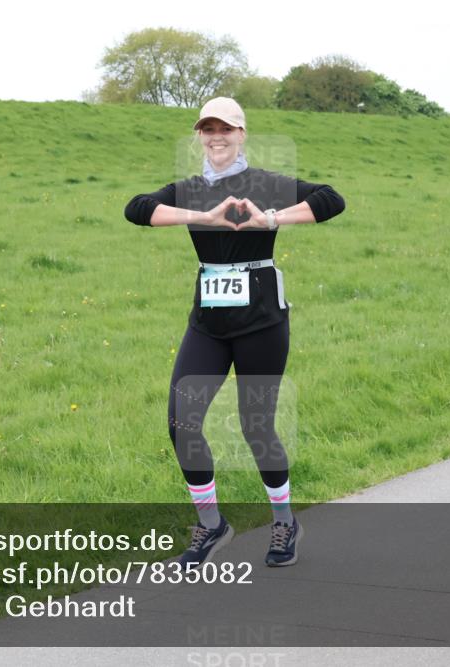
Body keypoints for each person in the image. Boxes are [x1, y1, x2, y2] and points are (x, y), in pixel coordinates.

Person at [124, 97, 345, 571]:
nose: (216, 136)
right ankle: (212, 525)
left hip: (262, 320)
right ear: (199, 136)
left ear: (242, 133)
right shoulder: (187, 190)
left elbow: (331, 199)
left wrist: (273, 217)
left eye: (225, 128)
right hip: (208, 323)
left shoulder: (265, 183)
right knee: (180, 422)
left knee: (256, 425)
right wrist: (201, 218)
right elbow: (136, 209)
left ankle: (284, 522)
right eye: (208, 128)